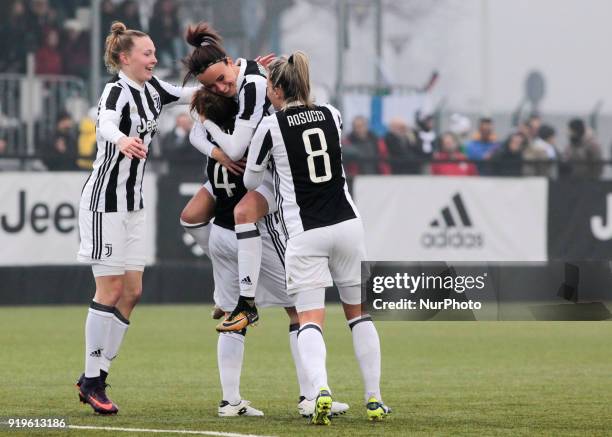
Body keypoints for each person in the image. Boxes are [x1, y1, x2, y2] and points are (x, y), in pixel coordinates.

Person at [244, 51, 390, 425]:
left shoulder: (270, 126)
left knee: (310, 320)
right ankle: (374, 398)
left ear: (275, 89)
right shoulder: (332, 114)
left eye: (269, 89)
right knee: (359, 315)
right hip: (348, 225)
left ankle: (321, 390)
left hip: (306, 233)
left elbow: (249, 181)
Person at [190, 87, 349, 418]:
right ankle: (309, 397)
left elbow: (190, 216)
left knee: (236, 318)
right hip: (255, 236)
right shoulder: (254, 138)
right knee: (298, 310)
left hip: (219, 233)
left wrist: (213, 253)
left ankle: (230, 401)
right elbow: (257, 191)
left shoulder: (214, 147)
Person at [75, 21, 198, 415]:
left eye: (154, 53)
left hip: (133, 206)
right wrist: (120, 139)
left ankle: (95, 375)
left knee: (132, 293)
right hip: (104, 204)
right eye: (147, 54)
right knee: (109, 291)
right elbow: (106, 123)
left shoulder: (154, 90)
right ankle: (93, 381)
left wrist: (241, 77)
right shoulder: (116, 90)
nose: (154, 59)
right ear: (124, 58)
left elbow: (192, 93)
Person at [179, 22, 276, 332]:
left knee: (242, 216)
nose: (220, 89)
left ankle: (244, 294)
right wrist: (216, 152)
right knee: (190, 217)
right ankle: (227, 280)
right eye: (212, 87)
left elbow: (234, 148)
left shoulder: (253, 85)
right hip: (236, 168)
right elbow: (198, 133)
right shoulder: (238, 75)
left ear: (230, 61)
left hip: (268, 170)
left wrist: (208, 122)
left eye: (221, 80)